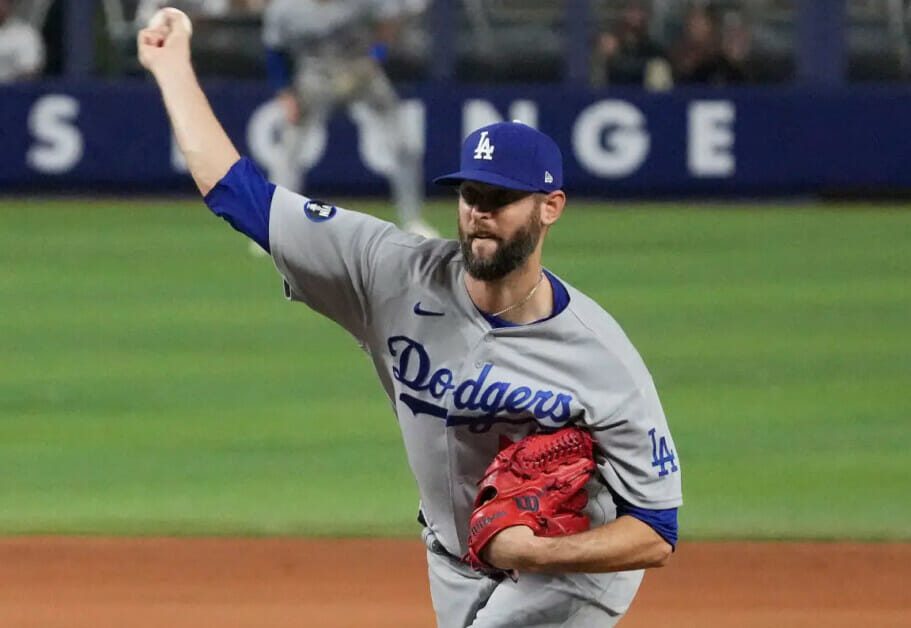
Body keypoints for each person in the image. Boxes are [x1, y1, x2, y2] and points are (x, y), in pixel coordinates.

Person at [137, 11, 682, 627]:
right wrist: (171, 66)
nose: (479, 212)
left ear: (550, 207)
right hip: (452, 561)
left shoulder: (602, 357)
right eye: (470, 195)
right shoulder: (390, 272)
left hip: (569, 572)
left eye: (501, 199)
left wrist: (539, 553)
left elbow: (657, 529)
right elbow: (239, 195)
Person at [262, 0, 436, 239]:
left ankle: (413, 219)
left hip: (360, 69)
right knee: (289, 150)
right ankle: (275, 225)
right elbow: (275, 52)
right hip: (315, 75)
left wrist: (376, 56)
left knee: (402, 144)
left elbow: (388, 21)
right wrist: (285, 93)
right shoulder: (285, 8)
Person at [597, 2, 670, 88]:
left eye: (640, 10)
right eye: (630, 9)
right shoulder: (609, 44)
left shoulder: (656, 50)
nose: (634, 16)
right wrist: (605, 58)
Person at [0, 0, 45, 83]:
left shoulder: (25, 34)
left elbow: (29, 73)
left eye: (3, 2)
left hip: (13, 89)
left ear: (10, 5)